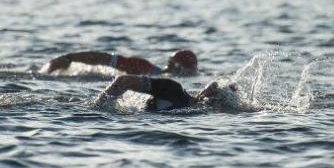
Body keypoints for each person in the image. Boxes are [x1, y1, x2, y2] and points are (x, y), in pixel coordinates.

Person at [95, 75, 238, 112]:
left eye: (219, 97)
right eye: (215, 91)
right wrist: (99, 107)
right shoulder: (174, 89)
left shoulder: (191, 117)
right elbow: (123, 81)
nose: (213, 97)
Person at [44, 49, 198, 76]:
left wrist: (70, 58)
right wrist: (69, 58)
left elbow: (100, 58)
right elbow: (101, 58)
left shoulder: (146, 69)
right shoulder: (145, 68)